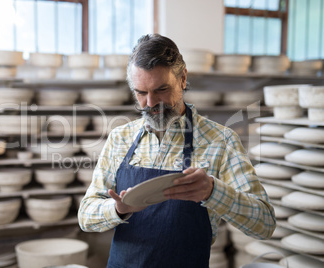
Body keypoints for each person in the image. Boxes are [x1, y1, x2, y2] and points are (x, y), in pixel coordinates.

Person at [78, 34, 276, 268]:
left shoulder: (221, 141)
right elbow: (86, 216)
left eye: (161, 89)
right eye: (141, 93)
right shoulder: (120, 138)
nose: (151, 103)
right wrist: (118, 209)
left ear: (182, 79)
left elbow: (264, 224)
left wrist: (213, 192)